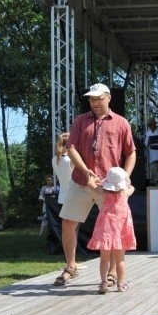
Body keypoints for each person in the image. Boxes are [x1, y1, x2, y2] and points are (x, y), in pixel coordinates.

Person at [53, 82, 136, 287]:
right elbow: (71, 148)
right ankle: (71, 267)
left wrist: (125, 177)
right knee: (68, 223)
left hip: (110, 187)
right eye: (92, 99)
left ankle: (113, 272)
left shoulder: (121, 122)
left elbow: (131, 152)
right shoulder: (81, 120)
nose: (95, 103)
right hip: (81, 182)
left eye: (99, 98)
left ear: (109, 98)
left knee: (114, 228)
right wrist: (85, 171)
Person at [87, 167, 136, 294]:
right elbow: (132, 187)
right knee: (120, 259)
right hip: (120, 231)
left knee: (104, 259)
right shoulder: (125, 193)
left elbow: (89, 184)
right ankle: (120, 284)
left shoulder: (103, 193)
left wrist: (97, 179)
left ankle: (103, 283)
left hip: (106, 230)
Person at [52, 133, 74, 206]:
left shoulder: (54, 159)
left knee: (65, 217)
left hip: (62, 196)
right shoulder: (69, 160)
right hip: (74, 195)